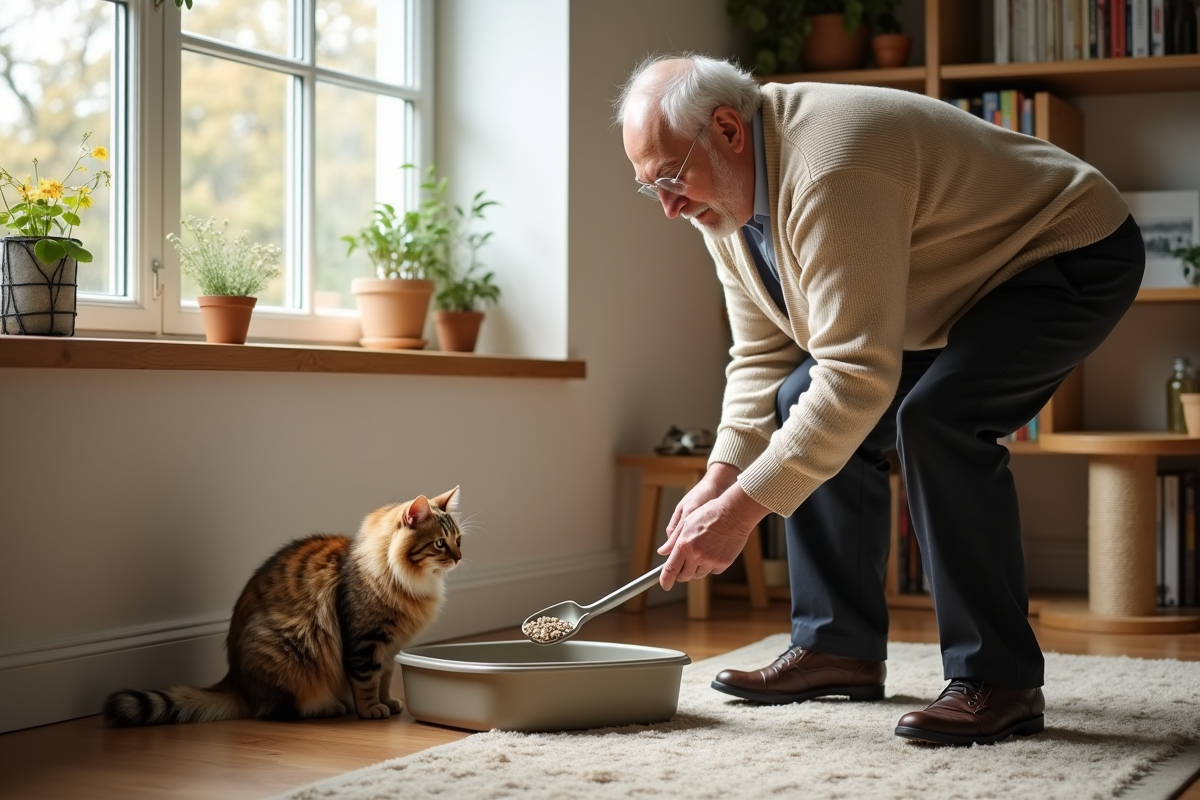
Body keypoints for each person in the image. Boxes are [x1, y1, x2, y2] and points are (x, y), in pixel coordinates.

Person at [617, 54, 1143, 746]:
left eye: (671, 176)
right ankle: (839, 646)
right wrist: (718, 478)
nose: (669, 206)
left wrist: (742, 511)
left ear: (727, 129)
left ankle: (1000, 680)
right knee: (797, 394)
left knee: (938, 420)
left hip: (1063, 248)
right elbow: (762, 356)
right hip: (953, 288)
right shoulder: (719, 211)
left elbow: (858, 377)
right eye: (648, 186)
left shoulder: (832, 164)